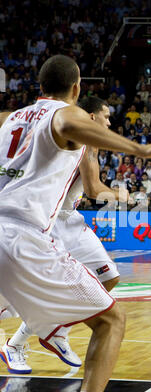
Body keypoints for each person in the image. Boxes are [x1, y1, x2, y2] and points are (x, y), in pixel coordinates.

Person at [0, 54, 151, 392]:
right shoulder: (66, 115)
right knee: (111, 320)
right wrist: (149, 149)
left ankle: (46, 329)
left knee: (104, 286)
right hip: (22, 235)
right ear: (76, 88)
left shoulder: (10, 119)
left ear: (39, 85)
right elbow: (73, 125)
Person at [0, 96, 129, 374]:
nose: (109, 121)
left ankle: (48, 332)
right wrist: (124, 194)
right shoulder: (79, 138)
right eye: (105, 116)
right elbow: (95, 191)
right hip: (47, 221)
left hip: (70, 219)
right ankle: (17, 344)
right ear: (91, 118)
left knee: (109, 277)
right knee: (14, 297)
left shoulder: (87, 141)